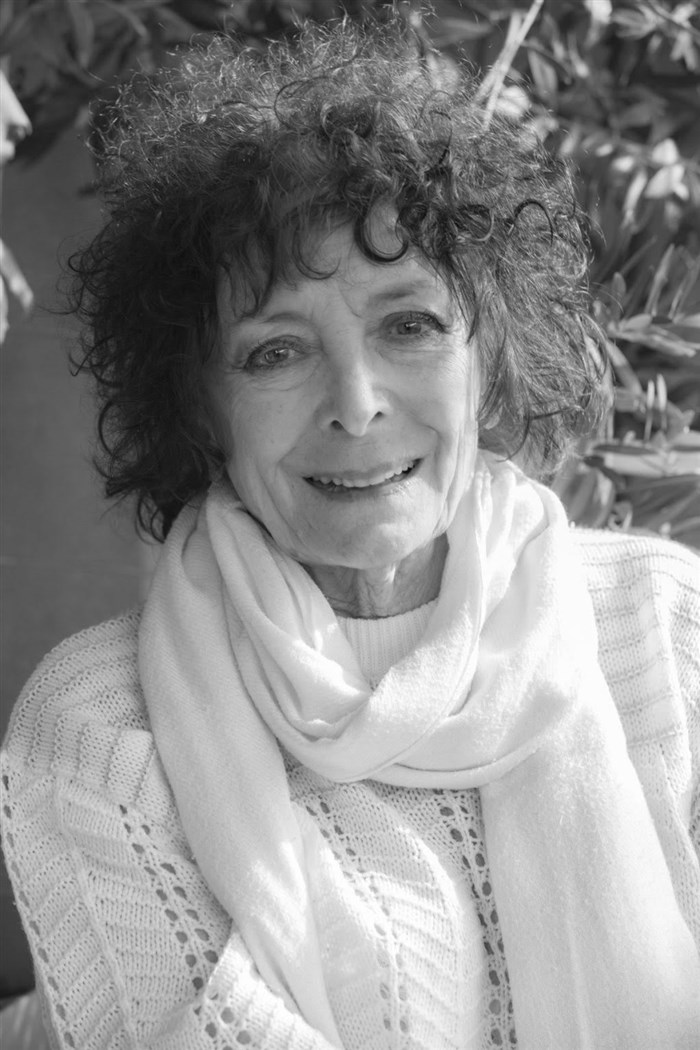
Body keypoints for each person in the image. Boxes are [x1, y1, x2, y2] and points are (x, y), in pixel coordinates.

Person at [1, 17, 699, 1050]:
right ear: (198, 407)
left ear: (490, 357)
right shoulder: (103, 734)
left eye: (410, 325)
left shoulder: (670, 631)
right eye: (275, 351)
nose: (357, 404)